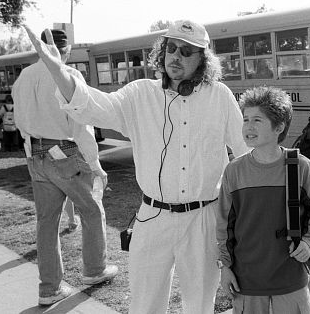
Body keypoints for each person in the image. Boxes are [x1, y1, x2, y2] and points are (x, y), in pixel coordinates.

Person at [24, 20, 248, 313]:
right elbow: (92, 105)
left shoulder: (219, 96)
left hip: (203, 220)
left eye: (186, 50)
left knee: (201, 304)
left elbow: (246, 154)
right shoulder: (140, 94)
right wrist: (58, 70)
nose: (176, 56)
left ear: (202, 60)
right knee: (145, 304)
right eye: (171, 47)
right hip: (152, 218)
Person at [12, 29, 118, 306]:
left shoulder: (24, 77)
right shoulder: (68, 75)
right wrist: (95, 164)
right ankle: (95, 269)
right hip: (65, 151)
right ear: (64, 49)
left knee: (47, 222)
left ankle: (49, 288)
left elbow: (21, 120)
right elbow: (81, 126)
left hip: (34, 153)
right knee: (92, 210)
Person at [216, 86, 310, 314]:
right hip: (247, 279)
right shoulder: (234, 171)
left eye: (257, 120)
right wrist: (225, 267)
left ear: (279, 127)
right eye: (246, 119)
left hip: (290, 276)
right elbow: (223, 225)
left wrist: (307, 241)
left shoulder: (300, 166)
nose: (248, 126)